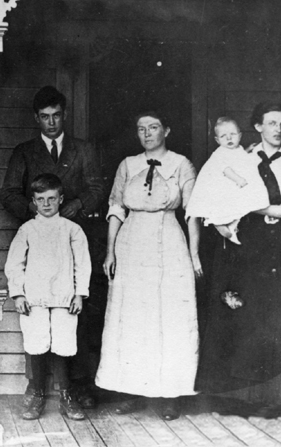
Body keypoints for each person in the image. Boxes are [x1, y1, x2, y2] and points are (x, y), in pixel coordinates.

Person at [195, 102, 281, 406]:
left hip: (278, 247)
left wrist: (247, 205)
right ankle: (239, 395)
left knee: (274, 315)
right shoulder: (239, 157)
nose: (278, 129)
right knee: (241, 313)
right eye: (271, 123)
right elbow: (216, 192)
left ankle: (275, 394)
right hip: (242, 244)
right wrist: (222, 219)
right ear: (258, 126)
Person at [0, 85, 104, 408]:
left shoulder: (82, 149)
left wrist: (77, 205)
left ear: (65, 115)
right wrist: (36, 212)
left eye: (57, 116)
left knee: (73, 321)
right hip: (38, 246)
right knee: (36, 322)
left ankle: (73, 387)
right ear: (36, 119)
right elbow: (9, 193)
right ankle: (36, 388)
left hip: (72, 240)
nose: (51, 122)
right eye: (44, 117)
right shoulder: (24, 151)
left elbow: (98, 186)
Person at [95, 111, 203, 421]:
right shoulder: (127, 165)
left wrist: (193, 253)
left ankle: (170, 393)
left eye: (153, 127)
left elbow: (192, 212)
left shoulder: (181, 164)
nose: (147, 133)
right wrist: (111, 251)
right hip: (132, 244)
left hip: (169, 242)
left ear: (167, 129)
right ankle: (131, 390)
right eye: (141, 128)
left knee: (169, 316)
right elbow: (116, 208)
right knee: (132, 315)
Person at [4, 174, 92, 421]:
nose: (46, 204)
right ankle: (38, 395)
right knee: (36, 344)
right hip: (34, 299)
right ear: (33, 201)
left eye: (51, 199)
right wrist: (18, 293)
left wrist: (79, 294)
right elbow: (14, 264)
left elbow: (82, 264)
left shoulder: (72, 229)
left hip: (64, 297)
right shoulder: (27, 229)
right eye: (40, 199)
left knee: (64, 346)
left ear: (61, 199)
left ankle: (67, 396)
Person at [186, 117, 269, 246]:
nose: (229, 139)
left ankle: (232, 226)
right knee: (224, 201)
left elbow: (238, 158)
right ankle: (218, 222)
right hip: (223, 181)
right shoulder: (220, 153)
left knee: (239, 203)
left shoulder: (238, 149)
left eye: (233, 134)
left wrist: (247, 150)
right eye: (223, 136)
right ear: (217, 140)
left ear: (240, 136)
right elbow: (226, 169)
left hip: (231, 182)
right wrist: (238, 179)